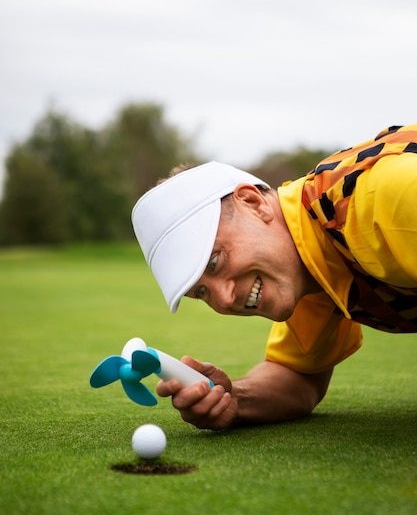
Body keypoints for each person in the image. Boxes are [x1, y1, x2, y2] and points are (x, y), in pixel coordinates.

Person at [131, 124, 417, 430]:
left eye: (215, 261)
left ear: (253, 204)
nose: (225, 298)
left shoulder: (383, 199)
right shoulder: (308, 266)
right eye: (201, 292)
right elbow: (298, 378)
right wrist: (232, 398)